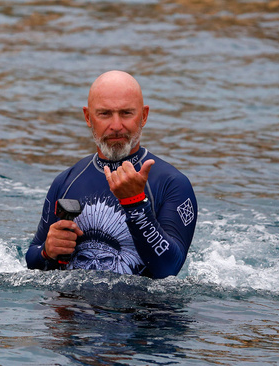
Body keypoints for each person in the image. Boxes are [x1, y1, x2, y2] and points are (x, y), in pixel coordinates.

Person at [25, 71, 197, 279]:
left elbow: (169, 269)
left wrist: (135, 203)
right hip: (77, 306)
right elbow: (32, 262)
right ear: (88, 117)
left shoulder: (172, 184)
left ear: (144, 116)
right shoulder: (66, 182)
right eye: (105, 114)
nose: (116, 126)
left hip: (141, 310)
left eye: (126, 113)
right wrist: (47, 251)